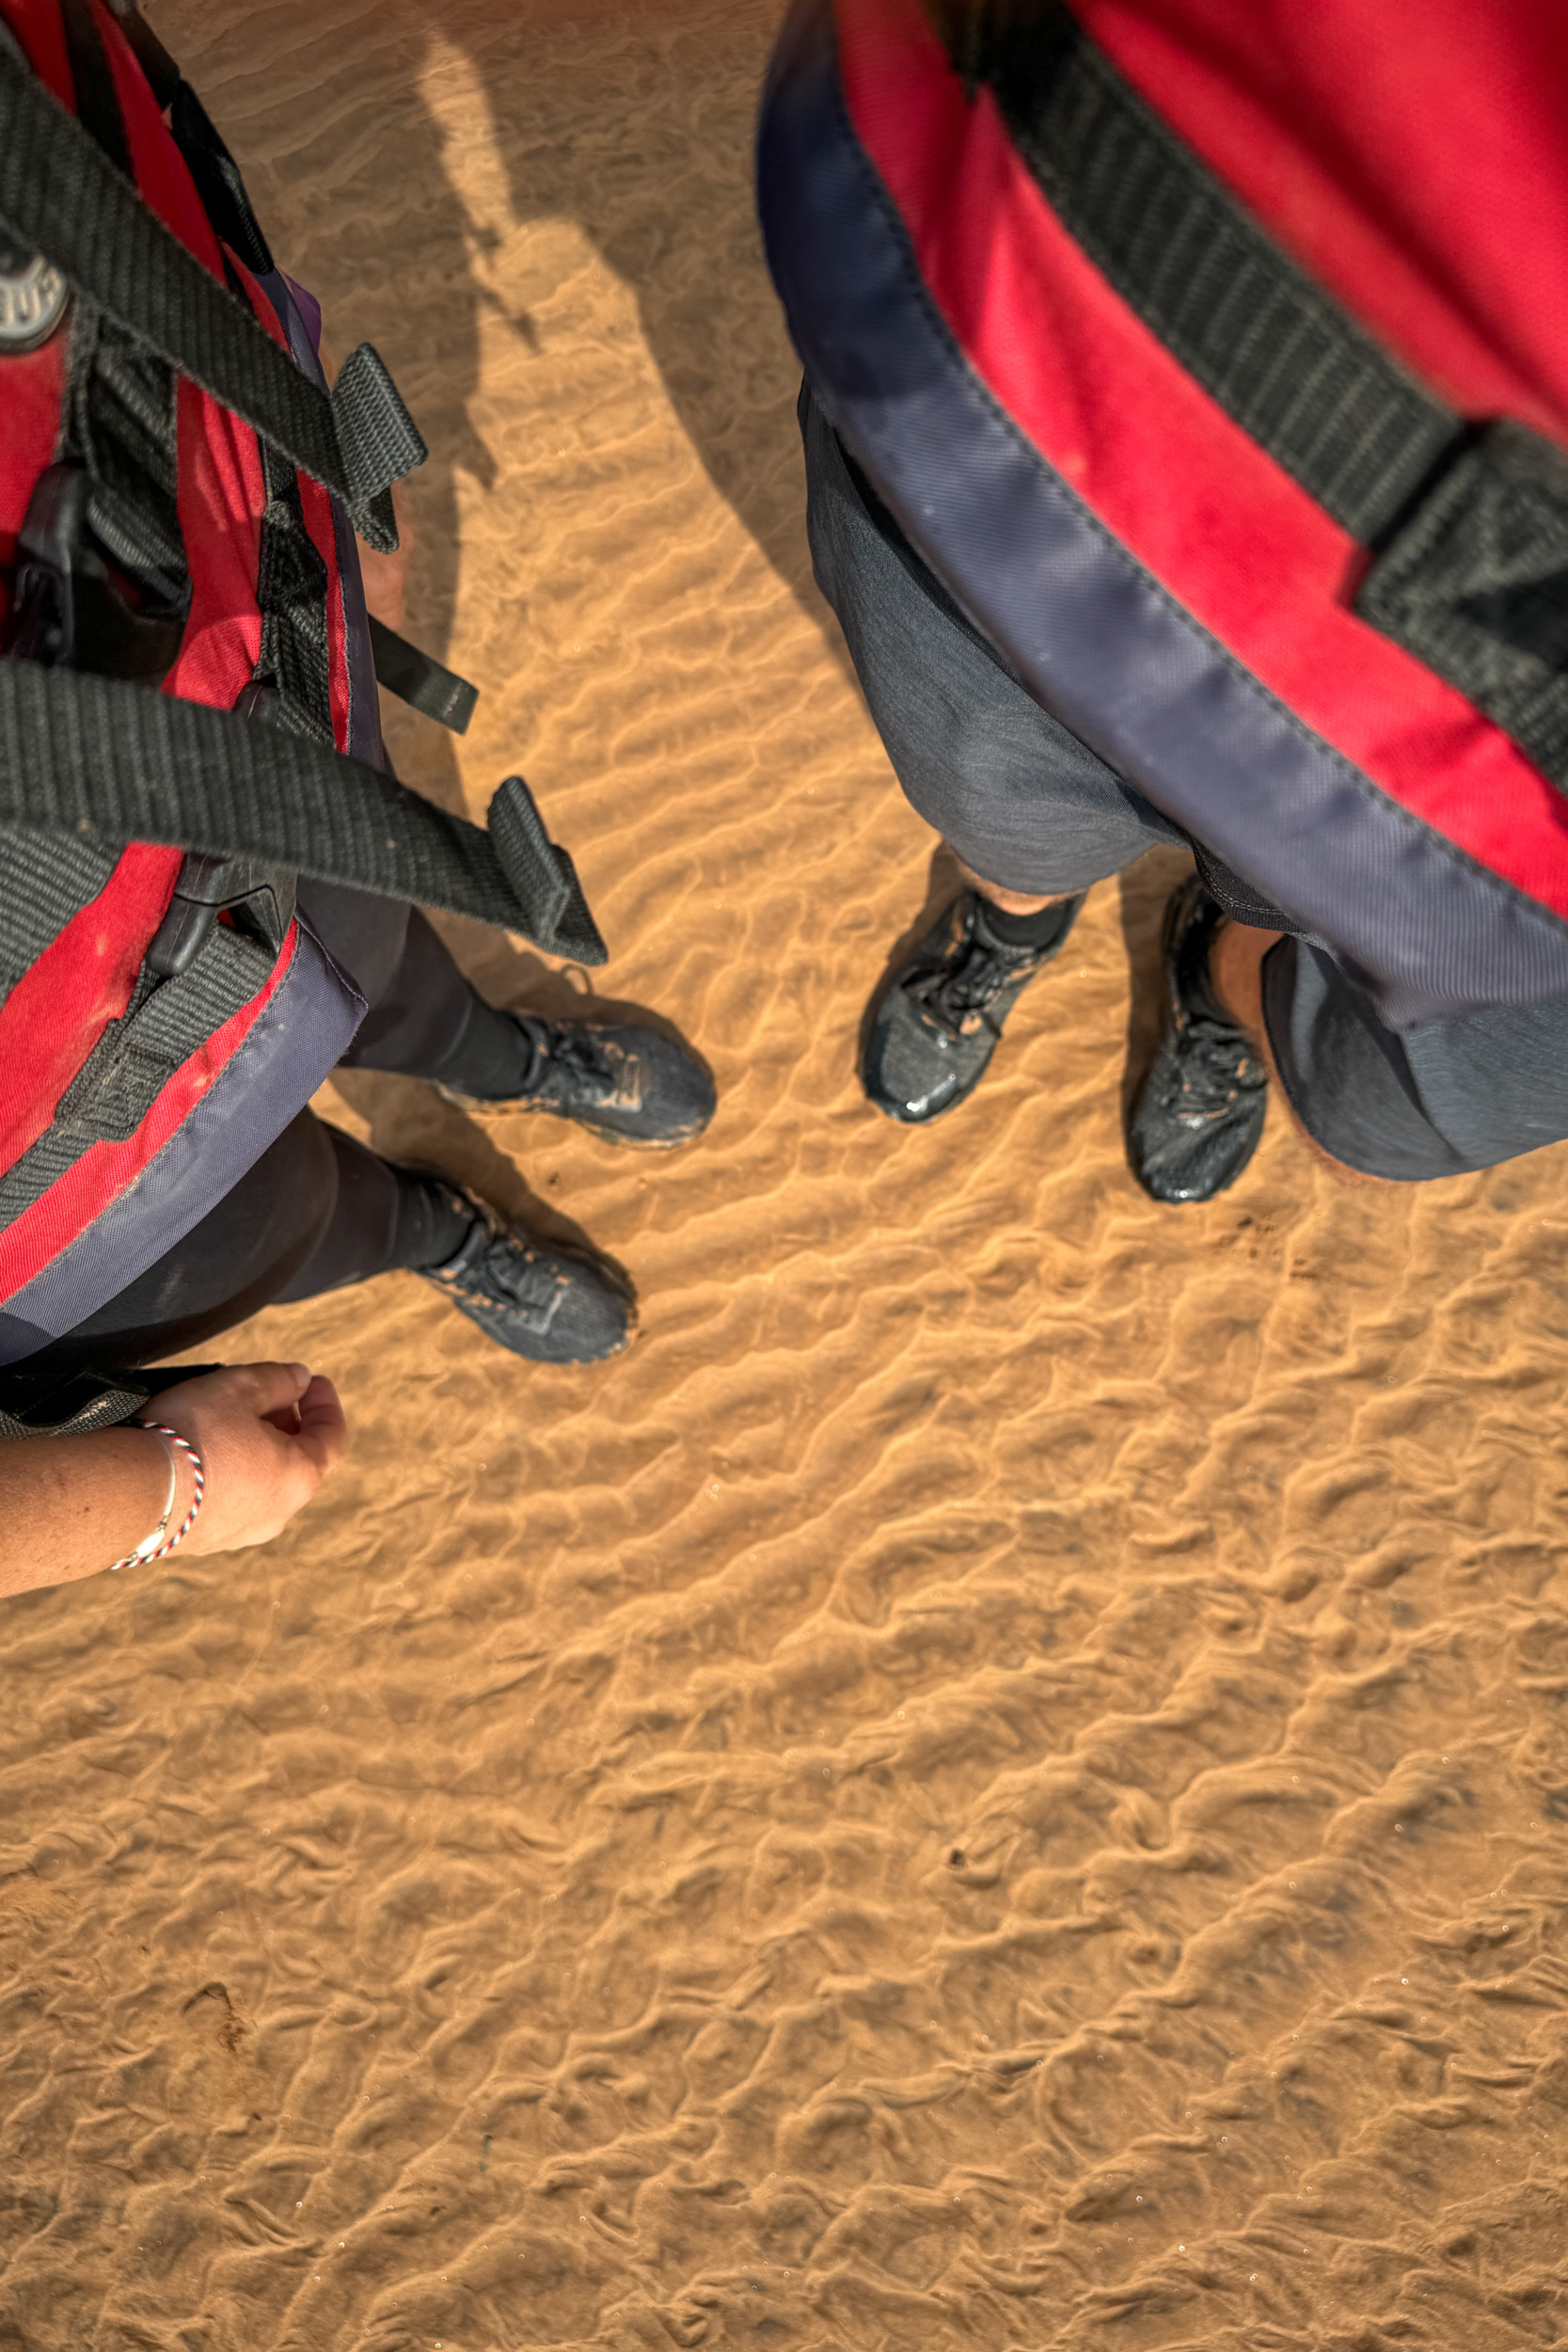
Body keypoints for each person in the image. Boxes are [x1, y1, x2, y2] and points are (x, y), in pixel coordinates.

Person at [0, 0, 713, 1596]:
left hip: (189, 666)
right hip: (28, 1213)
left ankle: (502, 1055)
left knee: (360, 940)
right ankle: (437, 1228)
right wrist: (157, 1490)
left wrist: (284, 486)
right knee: (263, 1221)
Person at [758, 0, 1568, 1202]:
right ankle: (1025, 921)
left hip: (1404, 803)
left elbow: (1378, 1100)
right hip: (1013, 360)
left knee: (1287, 939)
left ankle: (1204, 972)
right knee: (994, 789)